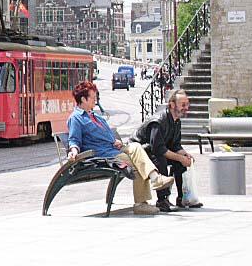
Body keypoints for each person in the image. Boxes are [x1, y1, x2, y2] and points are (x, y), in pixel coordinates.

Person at [67, 81, 175, 215]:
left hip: (113, 149)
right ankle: (141, 203)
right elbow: (74, 140)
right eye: (93, 97)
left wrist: (116, 141)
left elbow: (108, 135)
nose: (96, 100)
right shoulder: (76, 118)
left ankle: (155, 178)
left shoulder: (96, 116)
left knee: (136, 147)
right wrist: (73, 151)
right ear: (83, 99)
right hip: (102, 155)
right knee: (136, 163)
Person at [131, 89, 203, 211]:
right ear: (172, 105)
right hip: (141, 152)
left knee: (180, 162)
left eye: (187, 104)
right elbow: (158, 149)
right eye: (183, 105)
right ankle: (162, 200)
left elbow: (175, 145)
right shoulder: (159, 121)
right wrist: (180, 157)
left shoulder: (176, 121)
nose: (186, 108)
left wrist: (185, 155)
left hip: (155, 150)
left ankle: (183, 198)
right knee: (161, 160)